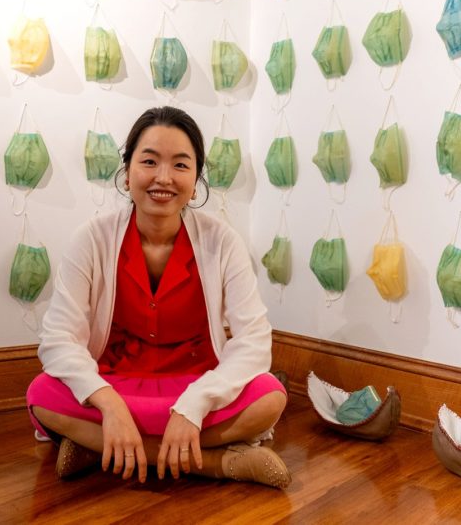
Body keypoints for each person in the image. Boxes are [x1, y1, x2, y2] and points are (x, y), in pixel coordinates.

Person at [26, 106, 290, 489]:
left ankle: (99, 450)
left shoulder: (222, 240)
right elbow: (57, 339)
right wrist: (109, 404)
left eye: (181, 165)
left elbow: (253, 341)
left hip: (198, 381)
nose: (163, 178)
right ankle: (217, 462)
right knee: (42, 394)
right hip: (115, 382)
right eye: (149, 161)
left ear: (196, 179)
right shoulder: (92, 238)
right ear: (127, 170)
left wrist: (194, 405)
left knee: (270, 396)